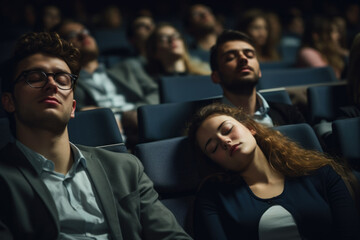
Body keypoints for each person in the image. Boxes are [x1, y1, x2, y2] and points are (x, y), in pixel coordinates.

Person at [0, 31, 191, 240]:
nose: (52, 85)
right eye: (34, 78)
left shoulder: (125, 168)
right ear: (9, 101)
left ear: (73, 107)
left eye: (63, 79)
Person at [186, 103, 360, 240]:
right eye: (213, 147)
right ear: (215, 162)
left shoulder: (320, 173)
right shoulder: (212, 197)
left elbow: (350, 234)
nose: (224, 141)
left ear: (250, 127)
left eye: (227, 130)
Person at [54, 19, 159, 146]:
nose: (83, 36)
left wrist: (138, 112)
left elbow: (156, 92)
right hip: (106, 139)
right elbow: (68, 112)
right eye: (72, 35)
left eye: (85, 31)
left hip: (140, 125)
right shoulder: (64, 83)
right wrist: (97, 115)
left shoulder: (128, 67)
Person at [210, 29, 305, 127]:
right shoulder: (210, 125)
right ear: (216, 77)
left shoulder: (289, 113)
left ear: (259, 71)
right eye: (230, 57)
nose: (243, 59)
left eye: (249, 55)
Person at [145, 22, 210, 80]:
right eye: (163, 38)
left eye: (176, 35)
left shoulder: (206, 73)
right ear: (154, 52)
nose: (172, 39)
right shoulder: (152, 83)